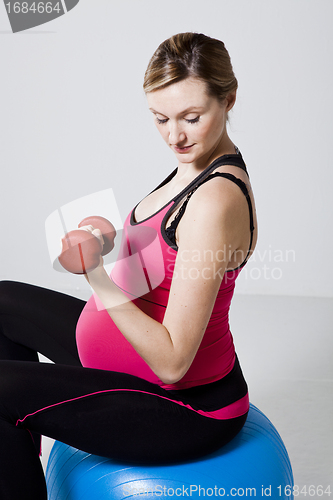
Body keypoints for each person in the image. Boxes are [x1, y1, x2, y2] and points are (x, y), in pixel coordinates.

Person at [0, 32, 257, 499]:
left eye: (191, 118)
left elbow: (174, 362)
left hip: (183, 406)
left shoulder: (216, 199)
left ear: (229, 98)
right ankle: (12, 456)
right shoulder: (194, 161)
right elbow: (165, 265)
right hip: (128, 362)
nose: (175, 135)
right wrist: (109, 241)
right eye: (160, 118)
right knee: (2, 300)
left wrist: (95, 275)